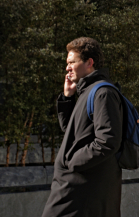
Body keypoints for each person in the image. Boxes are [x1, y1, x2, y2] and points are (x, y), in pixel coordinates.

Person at [42, 37, 123, 217]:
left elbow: (108, 141)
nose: (67, 67)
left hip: (83, 188)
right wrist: (68, 97)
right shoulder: (88, 91)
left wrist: (72, 162)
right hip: (76, 186)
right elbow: (72, 131)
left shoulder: (103, 93)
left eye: (72, 62)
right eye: (67, 63)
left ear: (89, 62)